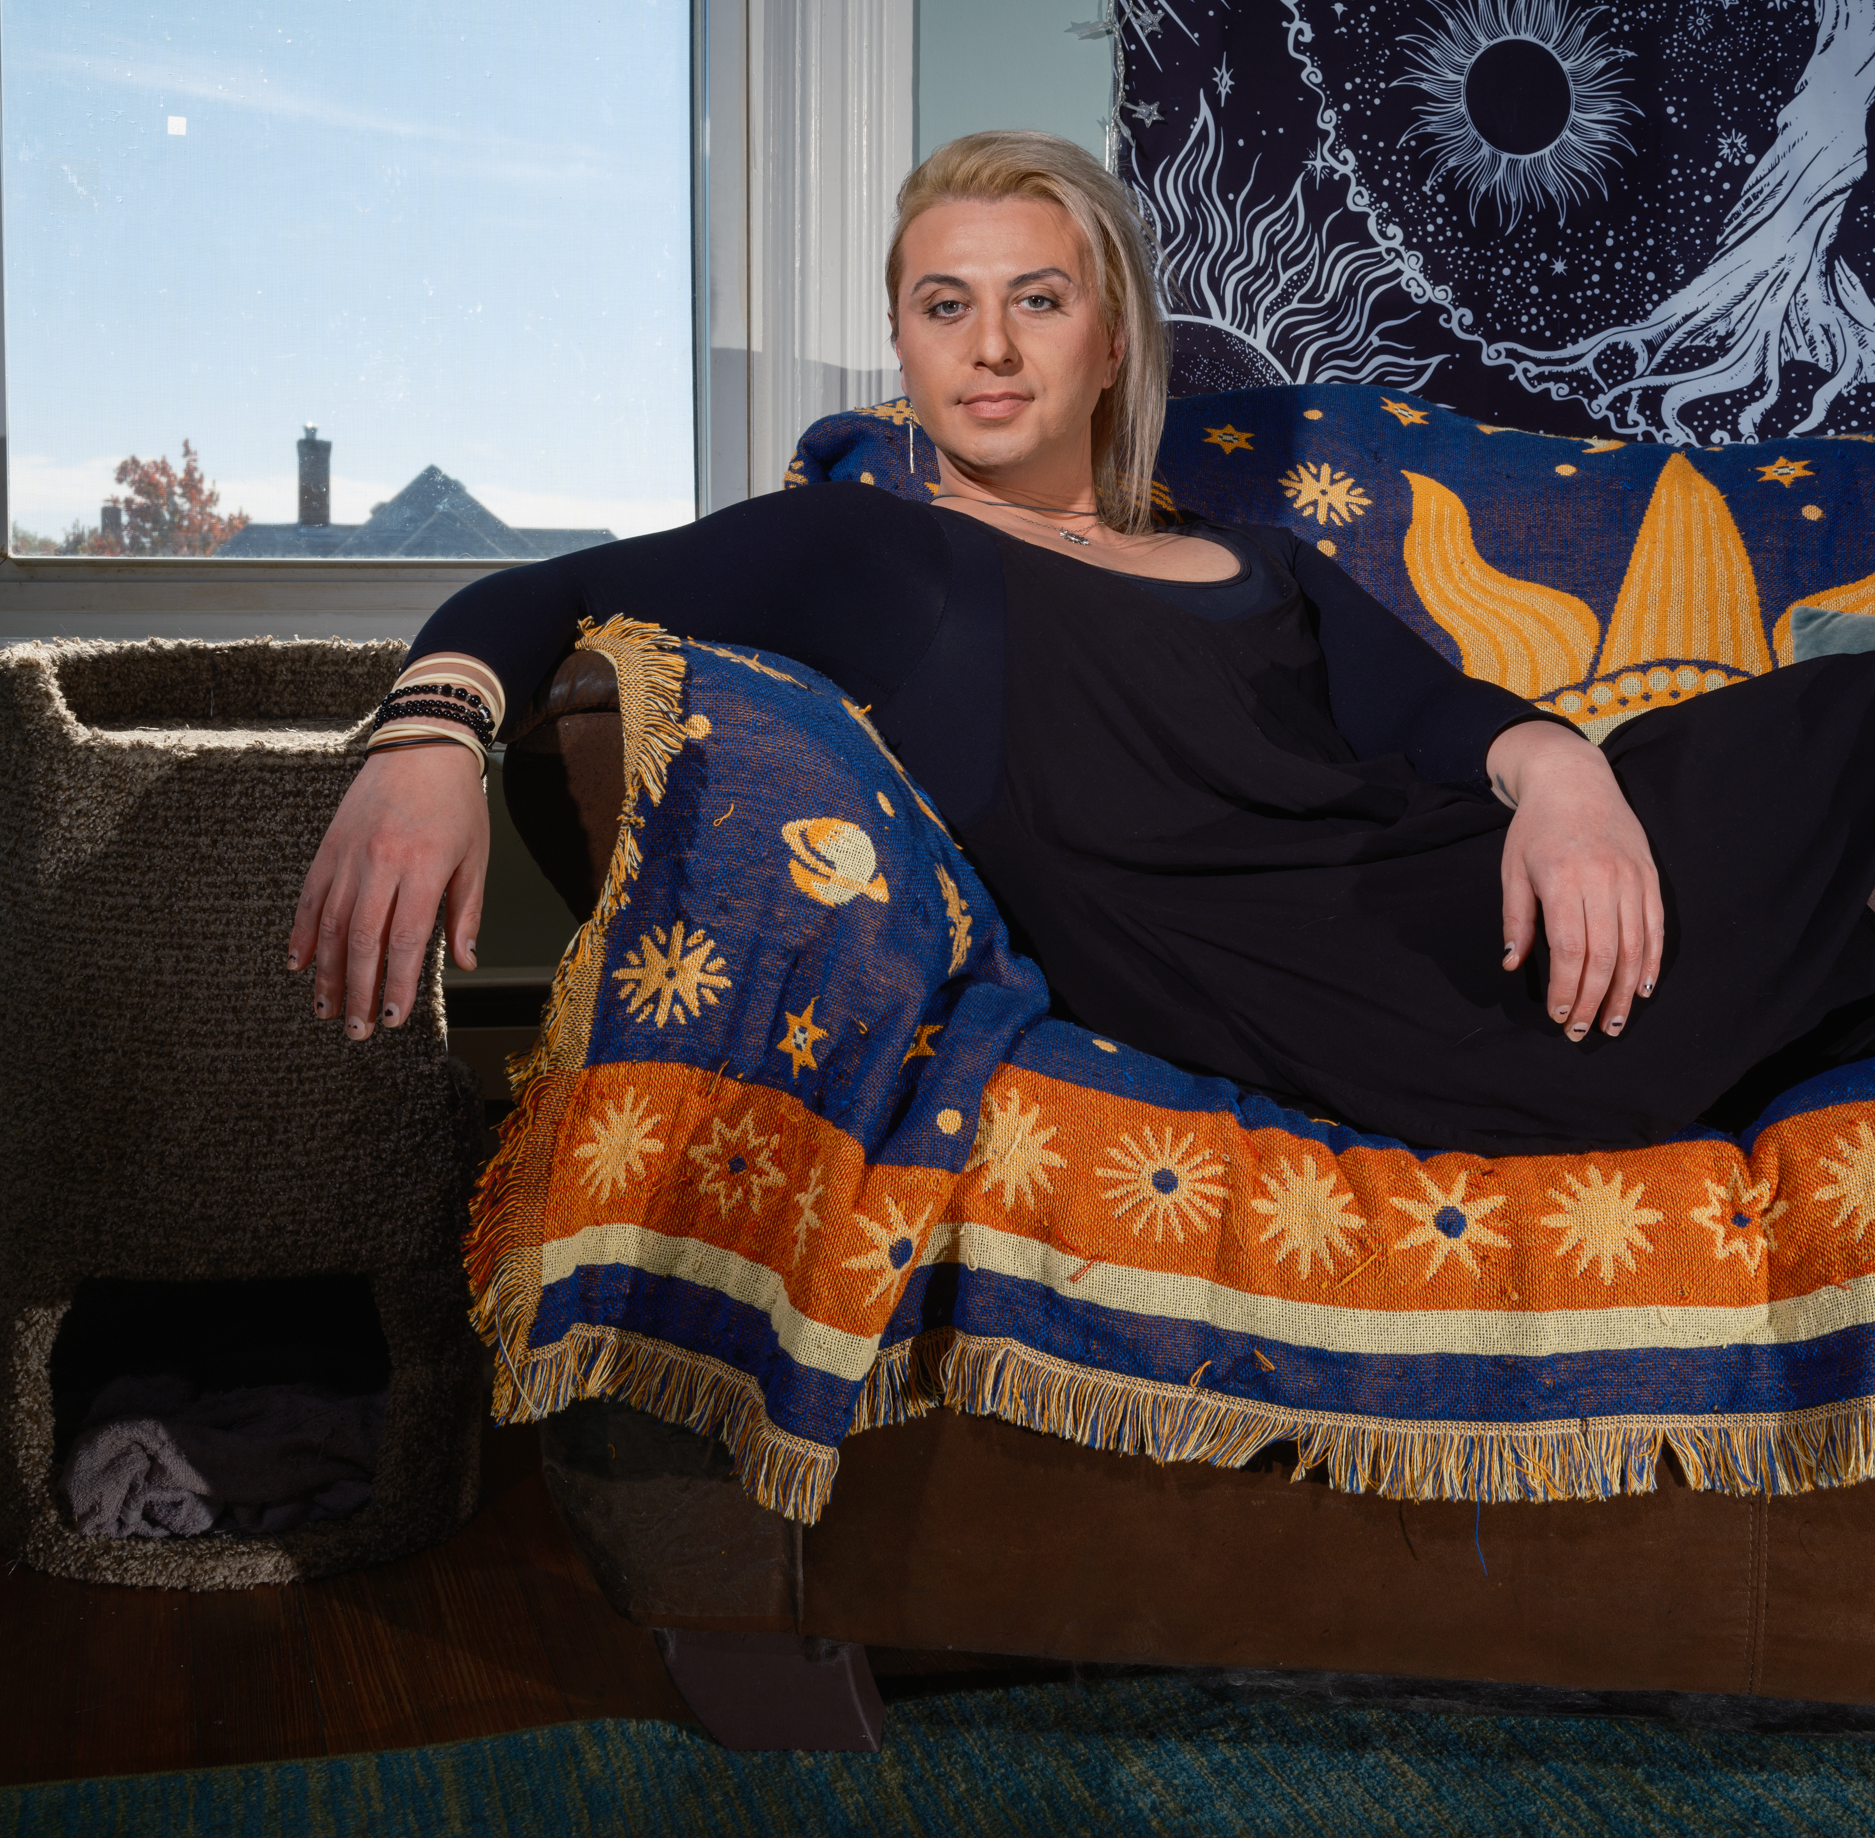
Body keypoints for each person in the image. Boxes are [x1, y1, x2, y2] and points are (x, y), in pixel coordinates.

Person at [290, 132, 1875, 1156]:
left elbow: (1453, 713)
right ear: (902, 341)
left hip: (1546, 879)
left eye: (1037, 299)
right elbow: (546, 596)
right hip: (1426, 995)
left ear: (1112, 338)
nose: (987, 346)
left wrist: (1572, 779)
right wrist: (430, 740)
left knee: (1841, 721)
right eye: (941, 304)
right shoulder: (868, 552)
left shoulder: (1257, 558)